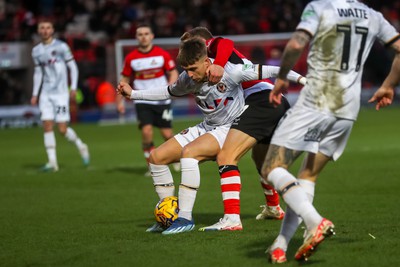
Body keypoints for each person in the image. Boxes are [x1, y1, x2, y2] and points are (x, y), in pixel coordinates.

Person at [117, 37, 306, 235]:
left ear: (207, 62)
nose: (189, 74)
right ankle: (168, 217)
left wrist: (304, 81)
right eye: (185, 69)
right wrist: (133, 94)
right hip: (208, 126)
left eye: (192, 68)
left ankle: (185, 217)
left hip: (230, 127)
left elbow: (273, 70)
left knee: (190, 153)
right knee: (156, 157)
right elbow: (166, 91)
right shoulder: (187, 79)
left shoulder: (230, 71)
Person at [260, 0, 400, 263]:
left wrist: (281, 78)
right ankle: (281, 244)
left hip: (317, 101)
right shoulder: (373, 15)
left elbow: (296, 44)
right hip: (347, 108)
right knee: (308, 176)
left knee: (271, 168)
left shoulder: (320, 7)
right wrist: (389, 85)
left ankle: (314, 222)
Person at [178, 27, 299, 231]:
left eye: (195, 45)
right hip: (272, 101)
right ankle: (275, 207)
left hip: (260, 100)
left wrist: (217, 64)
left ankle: (232, 219)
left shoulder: (217, 50)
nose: (193, 49)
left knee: (226, 156)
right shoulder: (218, 63)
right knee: (262, 161)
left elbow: (224, 42)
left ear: (204, 43)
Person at [117, 24, 180, 175]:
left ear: (152, 36)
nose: (143, 36)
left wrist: (171, 88)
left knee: (166, 134)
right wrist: (119, 100)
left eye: (146, 33)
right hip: (142, 99)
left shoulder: (161, 54)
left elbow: (173, 72)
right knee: (146, 131)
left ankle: (176, 158)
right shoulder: (131, 58)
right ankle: (151, 166)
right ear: (136, 37)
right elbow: (124, 79)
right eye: (140, 34)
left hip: (161, 99)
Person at [30, 19, 90, 172]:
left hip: (61, 93)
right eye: (42, 27)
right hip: (46, 93)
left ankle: (81, 146)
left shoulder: (61, 47)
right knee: (47, 125)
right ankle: (52, 162)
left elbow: (73, 67)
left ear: (52, 30)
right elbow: (38, 73)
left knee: (62, 129)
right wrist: (35, 93)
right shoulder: (36, 50)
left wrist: (74, 87)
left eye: (47, 27)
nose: (45, 30)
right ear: (38, 31)